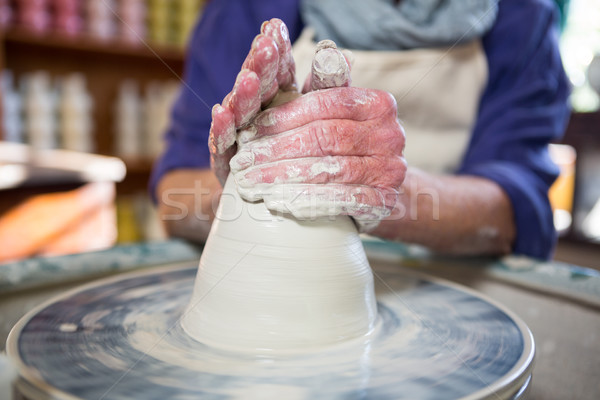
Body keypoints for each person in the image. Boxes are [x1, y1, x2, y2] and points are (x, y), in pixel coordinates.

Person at [150, 0, 571, 260]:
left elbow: (519, 212)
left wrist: (379, 191)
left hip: (435, 289)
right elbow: (174, 199)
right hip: (265, 303)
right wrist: (245, 184)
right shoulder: (245, 8)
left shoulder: (521, 16)